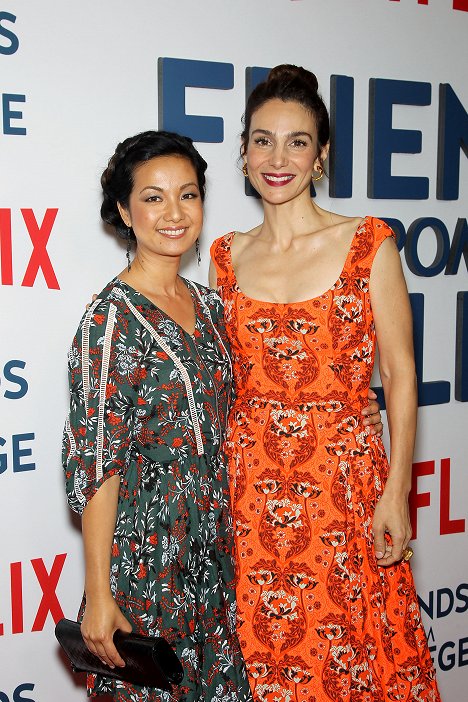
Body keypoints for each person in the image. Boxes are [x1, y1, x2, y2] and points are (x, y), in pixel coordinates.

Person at [209, 65, 440, 702]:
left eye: (297, 141)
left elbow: (398, 373)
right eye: (262, 140)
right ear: (244, 150)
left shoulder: (368, 243)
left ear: (322, 154)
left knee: (347, 654)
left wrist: (397, 493)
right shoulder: (225, 255)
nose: (277, 158)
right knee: (263, 660)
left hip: (343, 486)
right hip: (251, 492)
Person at [62, 131, 253, 702]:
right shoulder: (109, 321)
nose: (174, 213)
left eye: (188, 195)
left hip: (218, 559)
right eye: (153, 197)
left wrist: (357, 407)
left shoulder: (214, 306)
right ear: (123, 210)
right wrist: (100, 593)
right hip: (147, 567)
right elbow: (97, 466)